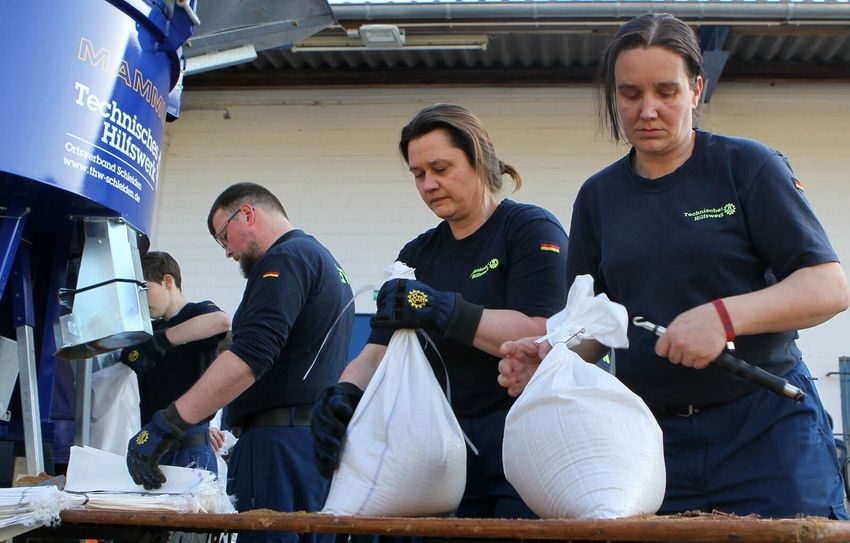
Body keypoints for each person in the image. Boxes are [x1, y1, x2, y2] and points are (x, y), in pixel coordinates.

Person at [498, 13, 850, 519]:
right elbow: (597, 321)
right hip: (648, 438)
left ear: (697, 89)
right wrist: (554, 351)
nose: (647, 110)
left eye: (666, 90)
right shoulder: (599, 197)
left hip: (766, 429)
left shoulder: (747, 167)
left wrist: (723, 317)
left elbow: (828, 287)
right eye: (630, 93)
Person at [311, 103, 569, 518]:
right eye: (418, 174)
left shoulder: (528, 229)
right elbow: (376, 352)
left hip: (521, 439)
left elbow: (541, 331)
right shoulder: (417, 255)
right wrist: (343, 395)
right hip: (441, 447)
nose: (429, 184)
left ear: (479, 160)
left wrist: (442, 308)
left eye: (441, 168)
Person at [126, 182, 354, 543]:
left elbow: (251, 355)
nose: (228, 253)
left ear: (246, 213)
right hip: (310, 445)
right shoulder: (323, 261)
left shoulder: (284, 259)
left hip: (276, 449)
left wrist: (167, 423)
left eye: (224, 237)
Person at [119, 251, 230, 474]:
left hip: (192, 450)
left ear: (167, 281)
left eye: (144, 289)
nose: (141, 299)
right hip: (153, 446)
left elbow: (221, 321)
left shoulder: (197, 312)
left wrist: (164, 340)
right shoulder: (147, 333)